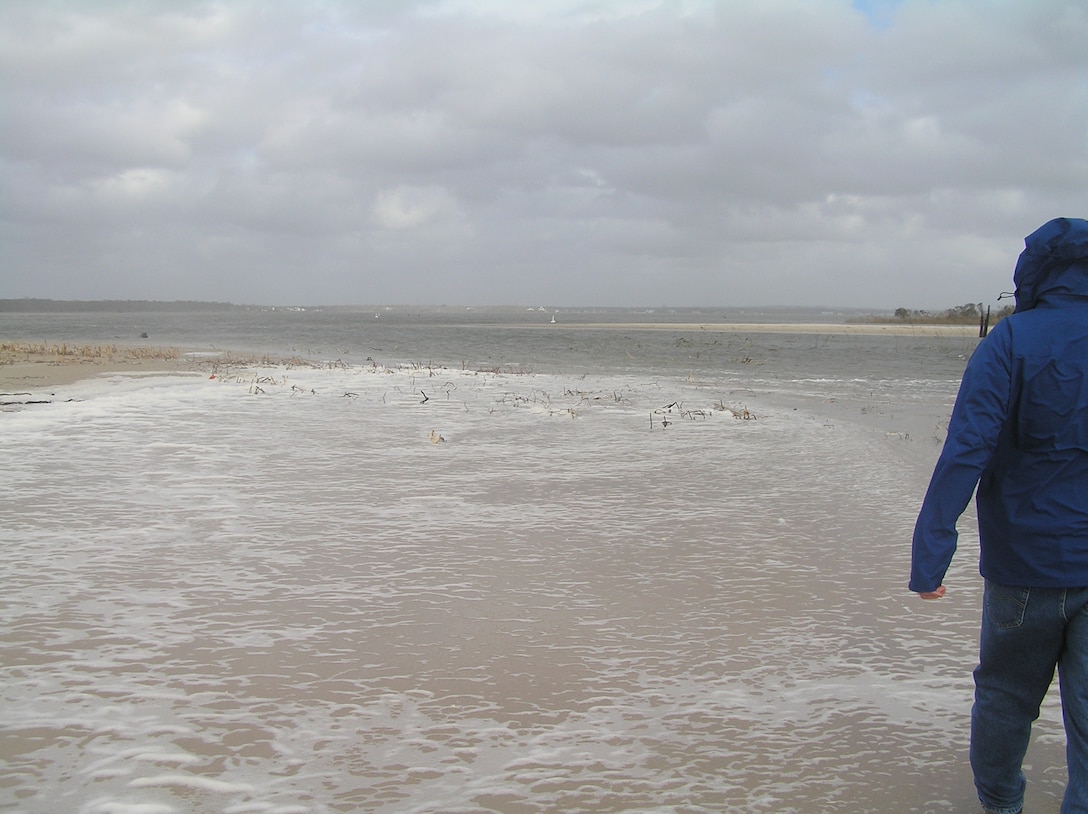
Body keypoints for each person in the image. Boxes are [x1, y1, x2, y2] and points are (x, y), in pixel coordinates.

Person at [910, 216, 1088, 814]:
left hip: (1023, 570)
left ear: (1034, 271)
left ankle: (1001, 808)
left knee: (1006, 702)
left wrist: (931, 552)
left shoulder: (1009, 342)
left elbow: (966, 451)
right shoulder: (1007, 342)